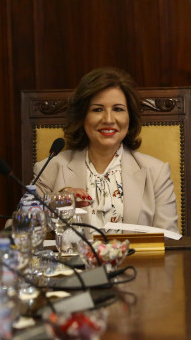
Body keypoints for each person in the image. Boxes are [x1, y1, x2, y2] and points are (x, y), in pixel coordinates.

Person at [34, 67, 178, 235]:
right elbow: (21, 231)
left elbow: (169, 240)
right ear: (82, 117)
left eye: (118, 109)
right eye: (97, 109)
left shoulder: (156, 173)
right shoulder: (50, 169)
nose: (108, 119)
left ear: (129, 117)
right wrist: (56, 203)